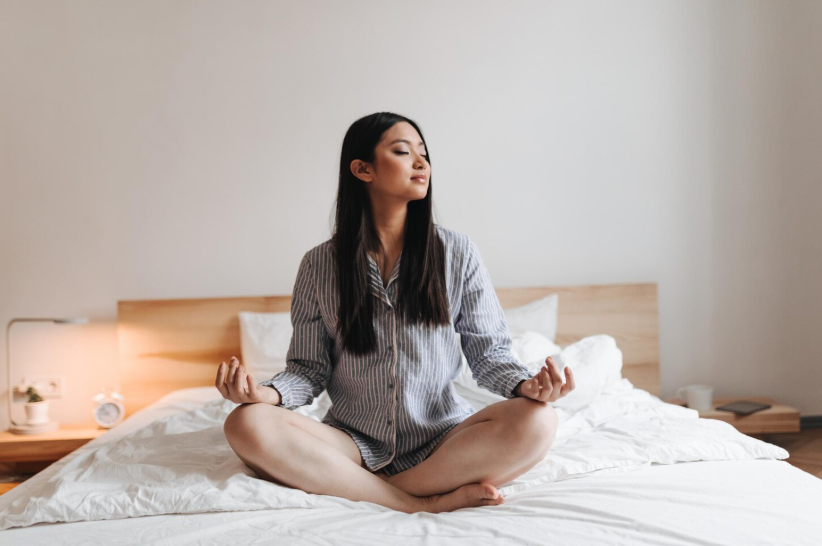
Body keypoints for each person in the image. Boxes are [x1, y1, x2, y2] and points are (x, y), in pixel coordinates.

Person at [216, 112, 575, 514]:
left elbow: (489, 354)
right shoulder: (319, 265)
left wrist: (526, 387)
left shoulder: (457, 253)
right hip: (351, 442)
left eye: (424, 154)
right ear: (362, 169)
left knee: (539, 421)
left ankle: (371, 491)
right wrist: (266, 394)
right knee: (246, 423)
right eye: (403, 152)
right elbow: (308, 369)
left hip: (443, 439)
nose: (421, 163)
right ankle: (417, 502)